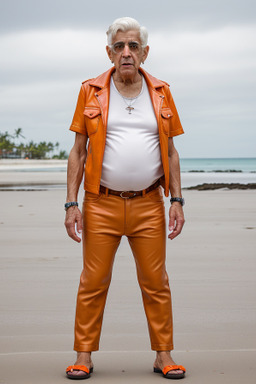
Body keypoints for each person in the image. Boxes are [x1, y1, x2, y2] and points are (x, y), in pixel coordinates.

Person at [64, 17, 186, 380]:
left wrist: (177, 200)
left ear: (145, 53)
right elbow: (78, 152)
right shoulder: (90, 91)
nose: (126, 53)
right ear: (109, 52)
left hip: (150, 203)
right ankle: (82, 355)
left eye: (133, 46)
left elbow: (172, 151)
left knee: (156, 282)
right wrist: (72, 204)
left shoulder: (162, 92)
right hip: (100, 204)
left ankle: (163, 355)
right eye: (119, 46)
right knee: (93, 281)